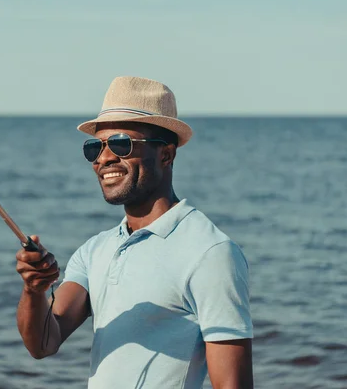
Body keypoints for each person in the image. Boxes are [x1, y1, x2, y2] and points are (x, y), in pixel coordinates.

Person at [15, 76, 253, 389]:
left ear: (166, 154)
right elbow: (44, 342)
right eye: (95, 147)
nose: (104, 158)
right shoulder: (94, 250)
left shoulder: (210, 253)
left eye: (120, 144)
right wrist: (34, 290)